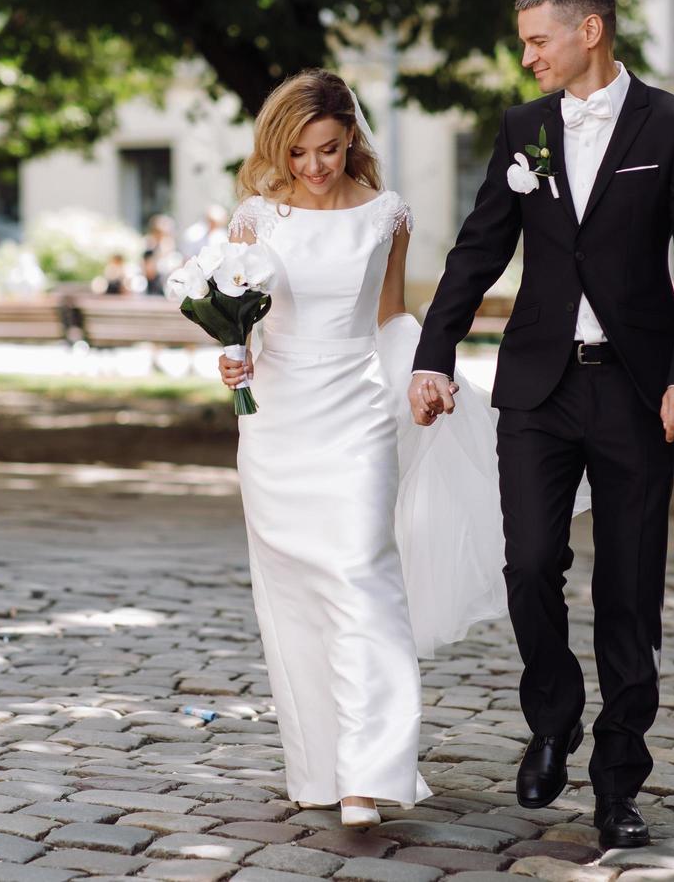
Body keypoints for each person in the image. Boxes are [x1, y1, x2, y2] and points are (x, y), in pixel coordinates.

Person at [409, 0, 674, 849]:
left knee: (629, 589)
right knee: (528, 564)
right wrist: (434, 354)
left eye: (537, 40)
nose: (528, 58)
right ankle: (554, 715)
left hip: (636, 391)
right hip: (538, 389)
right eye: (523, 43)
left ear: (589, 31)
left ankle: (619, 778)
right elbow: (479, 248)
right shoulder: (523, 130)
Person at [217, 69, 513, 826]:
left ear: (351, 137)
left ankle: (370, 774)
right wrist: (232, 358)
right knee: (293, 598)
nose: (314, 169)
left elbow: (389, 319)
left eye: (329, 149)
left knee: (362, 578)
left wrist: (426, 378)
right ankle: (321, 767)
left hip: (355, 417)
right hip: (276, 423)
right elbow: (242, 319)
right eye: (299, 154)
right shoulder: (255, 219)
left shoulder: (388, 216)